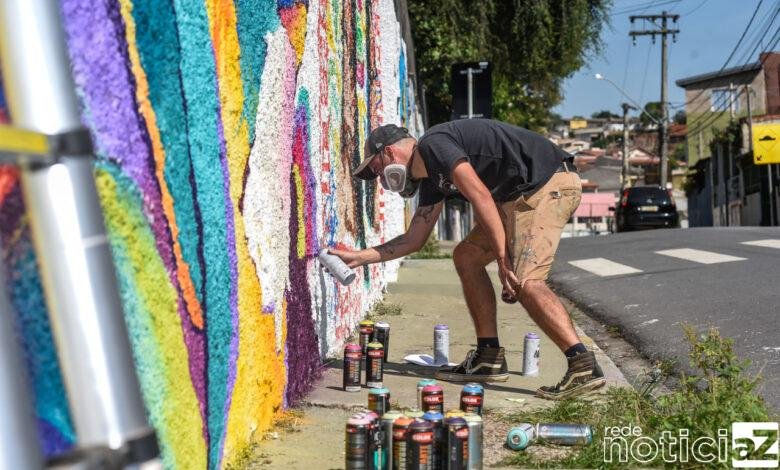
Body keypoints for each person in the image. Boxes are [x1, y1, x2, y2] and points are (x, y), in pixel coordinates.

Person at [329, 119, 605, 400]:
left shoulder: (432, 145)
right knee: (467, 256)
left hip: (546, 184)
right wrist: (359, 258)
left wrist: (503, 260)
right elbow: (414, 239)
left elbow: (481, 195)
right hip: (517, 195)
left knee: (525, 281)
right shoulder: (432, 177)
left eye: (376, 168)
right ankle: (489, 357)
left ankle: (582, 365)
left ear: (388, 152)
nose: (379, 177)